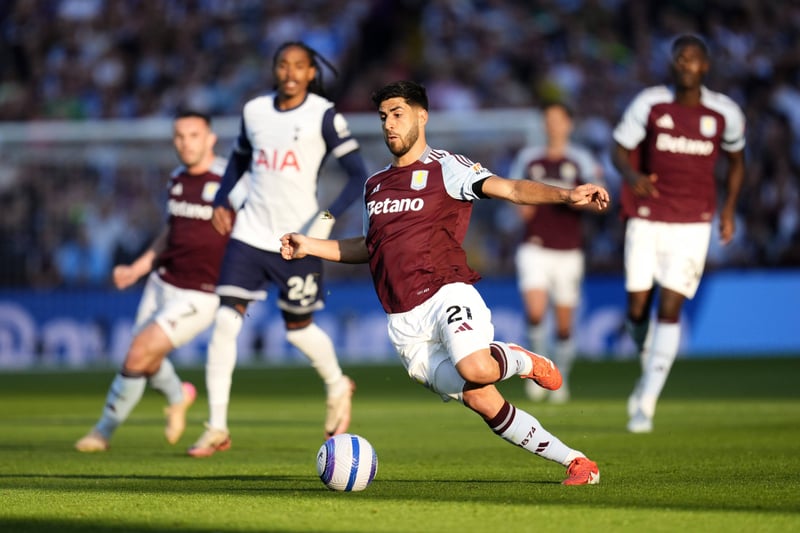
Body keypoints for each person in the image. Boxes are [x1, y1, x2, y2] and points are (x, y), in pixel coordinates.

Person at [280, 80, 609, 485]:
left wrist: (566, 196)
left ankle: (522, 359)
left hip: (445, 291)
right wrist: (309, 245)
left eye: (397, 114)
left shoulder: (447, 167)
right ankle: (578, 463)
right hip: (404, 324)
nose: (389, 124)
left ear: (422, 116)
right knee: (481, 399)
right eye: (383, 117)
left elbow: (510, 188)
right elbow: (369, 247)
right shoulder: (375, 185)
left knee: (477, 367)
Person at [186, 41, 369, 457]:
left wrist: (327, 218)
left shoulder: (324, 115)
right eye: (283, 65)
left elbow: (358, 174)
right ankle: (216, 427)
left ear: (311, 73)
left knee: (298, 330)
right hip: (250, 234)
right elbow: (239, 159)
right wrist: (221, 199)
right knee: (225, 322)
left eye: (298, 66)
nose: (290, 72)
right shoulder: (255, 111)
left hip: (298, 240)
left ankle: (337, 384)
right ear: (275, 69)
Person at [75, 110, 245, 452]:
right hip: (162, 282)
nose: (186, 143)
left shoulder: (232, 179)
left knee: (137, 352)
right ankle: (178, 395)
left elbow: (255, 225)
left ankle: (103, 431)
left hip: (202, 293)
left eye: (194, 135)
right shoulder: (177, 178)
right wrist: (138, 268)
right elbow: (172, 231)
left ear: (210, 139)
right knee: (147, 360)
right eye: (179, 136)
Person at [611, 34, 745, 433]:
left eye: (693, 58)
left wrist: (729, 209)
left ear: (705, 66)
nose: (686, 64)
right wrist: (631, 175)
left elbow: (737, 162)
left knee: (670, 308)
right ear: (673, 64)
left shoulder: (724, 112)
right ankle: (646, 364)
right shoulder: (650, 103)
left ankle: (646, 402)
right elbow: (619, 149)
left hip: (693, 223)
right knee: (637, 309)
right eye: (680, 58)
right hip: (647, 217)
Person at [509, 102, 605, 403]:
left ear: (568, 124)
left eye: (557, 119)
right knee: (536, 313)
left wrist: (578, 201)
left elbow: (601, 201)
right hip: (534, 246)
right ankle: (540, 373)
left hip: (568, 250)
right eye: (548, 119)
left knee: (564, 325)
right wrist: (521, 208)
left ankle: (560, 375)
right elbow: (513, 194)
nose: (552, 125)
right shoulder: (528, 158)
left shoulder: (581, 160)